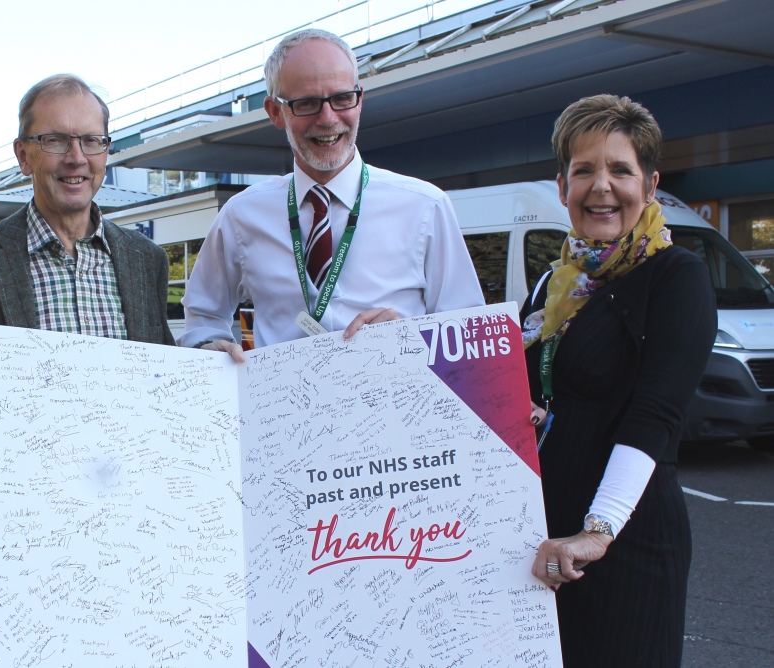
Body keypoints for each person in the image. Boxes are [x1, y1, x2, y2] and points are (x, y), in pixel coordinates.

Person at [0, 73, 175, 497]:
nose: (77, 158)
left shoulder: (145, 260)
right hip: (24, 503)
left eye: (92, 141)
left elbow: (162, 376)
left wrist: (208, 364)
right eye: (55, 141)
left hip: (128, 495)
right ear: (23, 156)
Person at [523, 95, 714, 667]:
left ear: (649, 185)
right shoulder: (553, 286)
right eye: (584, 170)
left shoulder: (676, 275)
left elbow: (656, 413)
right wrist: (399, 338)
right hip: (548, 542)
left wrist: (597, 531)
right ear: (562, 187)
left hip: (624, 540)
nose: (601, 186)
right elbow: (526, 389)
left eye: (620, 170)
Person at [180, 29, 483, 358]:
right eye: (306, 103)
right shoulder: (241, 216)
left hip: (392, 406)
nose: (327, 119)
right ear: (275, 112)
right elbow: (203, 314)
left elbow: (471, 339)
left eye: (341, 98)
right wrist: (208, 347)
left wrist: (413, 337)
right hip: (282, 407)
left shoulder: (425, 207)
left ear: (360, 99)